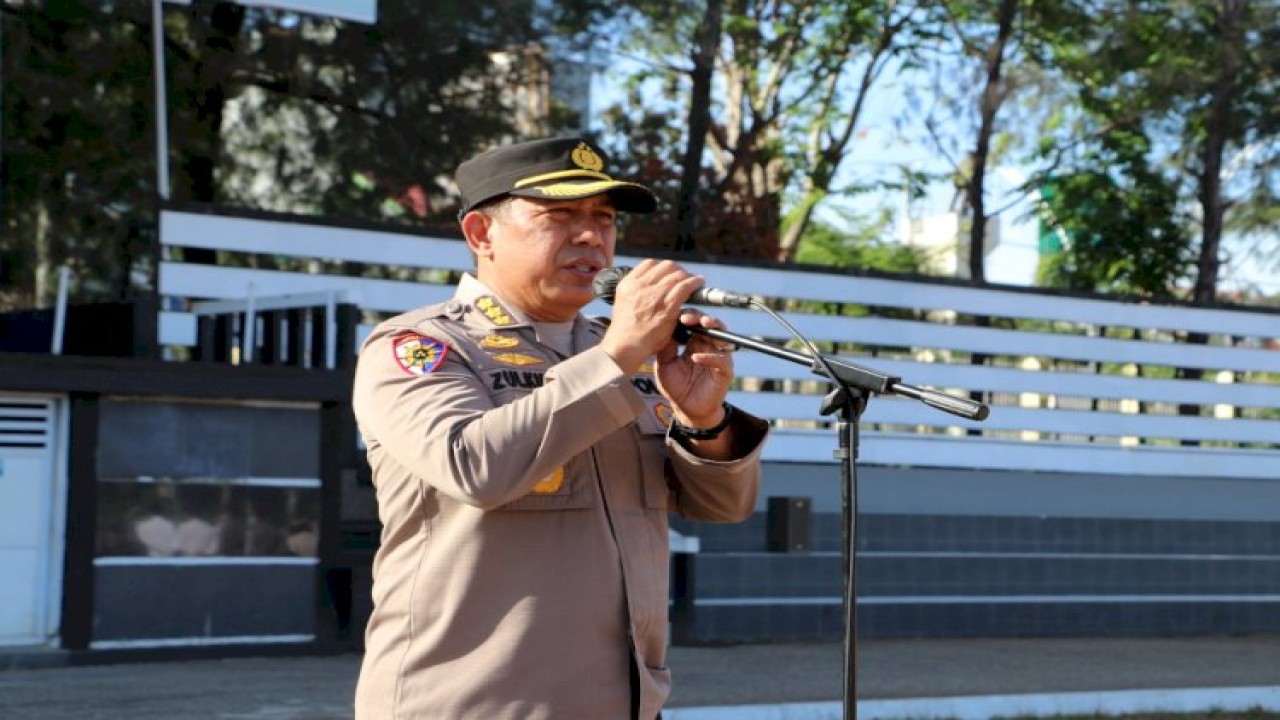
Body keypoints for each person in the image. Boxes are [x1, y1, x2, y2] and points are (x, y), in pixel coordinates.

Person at [352, 136, 769, 720]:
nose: (590, 236)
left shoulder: (622, 351)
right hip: (471, 704)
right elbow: (476, 469)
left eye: (604, 218)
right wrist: (618, 356)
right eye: (559, 216)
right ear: (480, 234)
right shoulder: (422, 347)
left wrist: (703, 419)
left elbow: (722, 507)